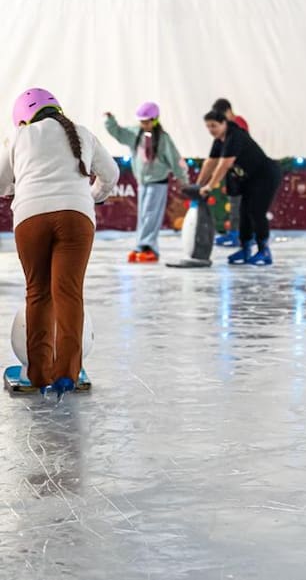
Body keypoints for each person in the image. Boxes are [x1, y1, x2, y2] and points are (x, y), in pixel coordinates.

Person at [0, 89, 118, 397]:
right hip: (76, 219)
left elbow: (0, 182)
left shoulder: (19, 137)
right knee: (69, 293)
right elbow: (112, 174)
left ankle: (38, 374)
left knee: (37, 293)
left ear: (24, 118)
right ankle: (67, 374)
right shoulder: (83, 133)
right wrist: (92, 197)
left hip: (30, 219)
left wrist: (20, 185)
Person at [104, 102, 188, 263]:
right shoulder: (136, 134)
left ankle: (148, 246)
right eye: (142, 121)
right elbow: (119, 133)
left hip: (158, 182)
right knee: (143, 215)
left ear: (155, 120)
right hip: (143, 182)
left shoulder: (163, 139)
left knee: (151, 215)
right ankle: (142, 245)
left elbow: (175, 159)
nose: (144, 124)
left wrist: (182, 178)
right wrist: (110, 121)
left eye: (147, 121)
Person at [197, 109, 281, 265]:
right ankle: (246, 248)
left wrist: (209, 186)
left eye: (213, 126)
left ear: (224, 123)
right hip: (249, 179)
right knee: (244, 212)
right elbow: (210, 163)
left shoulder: (235, 136)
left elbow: (224, 165)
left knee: (256, 212)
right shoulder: (219, 140)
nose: (211, 130)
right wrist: (198, 185)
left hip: (266, 176)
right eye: (208, 127)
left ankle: (264, 250)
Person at [210, 98, 249, 246]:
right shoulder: (226, 126)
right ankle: (233, 232)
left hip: (241, 168)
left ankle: (241, 234)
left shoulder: (239, 123)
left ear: (228, 111)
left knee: (239, 203)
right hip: (232, 168)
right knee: (233, 202)